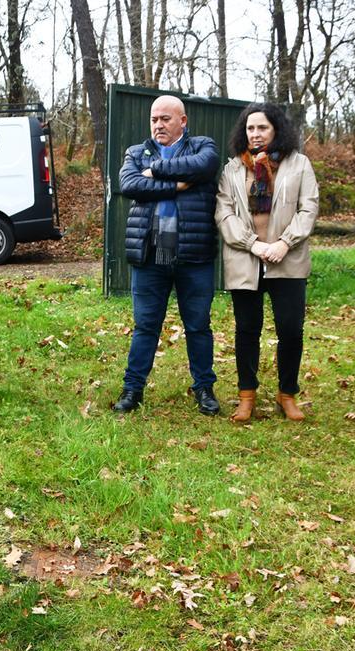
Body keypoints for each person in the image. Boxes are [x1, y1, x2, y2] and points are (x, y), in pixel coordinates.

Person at [111, 95, 221, 415]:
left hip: (193, 255)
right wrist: (177, 186)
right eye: (154, 119)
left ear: (182, 121)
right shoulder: (136, 152)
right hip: (149, 255)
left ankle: (204, 388)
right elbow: (129, 185)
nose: (158, 125)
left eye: (165, 119)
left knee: (198, 326)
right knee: (145, 326)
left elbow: (204, 166)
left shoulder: (202, 147)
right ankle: (133, 390)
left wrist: (155, 170)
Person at [215, 103, 319, 422]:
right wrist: (253, 244)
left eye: (262, 127)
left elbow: (308, 209)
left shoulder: (298, 164)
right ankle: (246, 396)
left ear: (276, 130)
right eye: (250, 128)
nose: (256, 134)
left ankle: (287, 394)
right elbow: (224, 213)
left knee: (291, 330)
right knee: (247, 329)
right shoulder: (233, 169)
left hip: (287, 258)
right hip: (245, 259)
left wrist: (284, 243)